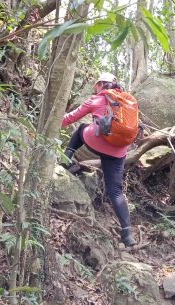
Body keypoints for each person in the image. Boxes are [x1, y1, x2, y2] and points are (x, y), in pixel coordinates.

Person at [61, 72, 137, 247]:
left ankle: (66, 159)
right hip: (118, 151)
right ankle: (127, 233)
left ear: (102, 84)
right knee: (115, 191)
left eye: (96, 85)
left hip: (95, 142)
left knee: (81, 128)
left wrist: (50, 122)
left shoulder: (95, 99)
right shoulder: (127, 102)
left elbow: (69, 118)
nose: (94, 89)